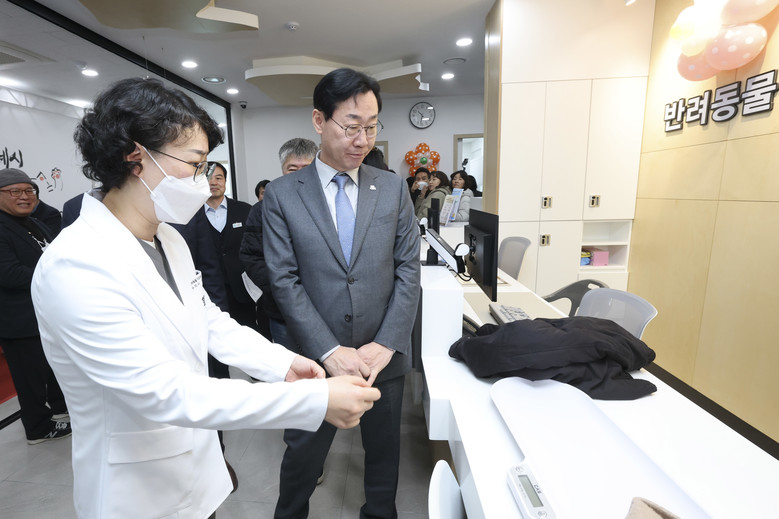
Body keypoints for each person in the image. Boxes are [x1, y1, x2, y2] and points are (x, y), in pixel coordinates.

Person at [30, 77, 379, 519]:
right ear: (136, 157)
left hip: (195, 468)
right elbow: (165, 393)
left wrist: (282, 365)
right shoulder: (76, 265)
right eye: (195, 164)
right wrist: (315, 400)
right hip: (135, 490)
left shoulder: (168, 238)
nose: (203, 180)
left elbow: (208, 320)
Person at [263, 68, 420, 519]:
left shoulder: (391, 188)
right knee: (303, 457)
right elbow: (284, 279)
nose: (362, 140)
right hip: (316, 360)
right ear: (319, 120)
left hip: (381, 358)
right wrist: (330, 351)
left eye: (371, 127)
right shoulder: (282, 194)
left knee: (384, 455)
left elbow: (408, 269)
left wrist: (386, 343)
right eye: (351, 126)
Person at [0, 168, 71, 445]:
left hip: (46, 315)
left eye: (29, 190)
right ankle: (37, 428)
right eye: (15, 191)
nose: (25, 196)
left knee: (51, 369)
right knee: (29, 380)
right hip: (19, 320)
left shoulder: (34, 222)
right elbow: (10, 274)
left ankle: (59, 410)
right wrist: (56, 275)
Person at [240, 137, 318, 348]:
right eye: (292, 169)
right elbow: (250, 256)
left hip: (325, 307)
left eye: (306, 168)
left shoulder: (330, 204)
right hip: (281, 309)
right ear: (282, 169)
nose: (299, 175)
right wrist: (281, 287)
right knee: (290, 364)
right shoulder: (261, 209)